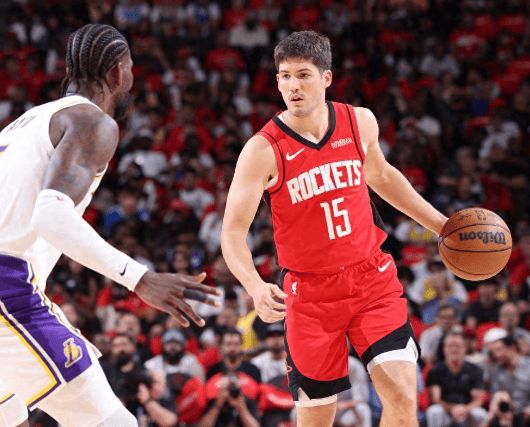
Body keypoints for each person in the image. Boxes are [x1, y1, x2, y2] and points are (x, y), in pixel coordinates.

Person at [221, 30, 448, 427]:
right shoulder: (262, 149)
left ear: (326, 77)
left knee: (402, 394)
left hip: (371, 280)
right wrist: (255, 286)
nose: (293, 86)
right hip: (310, 296)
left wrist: (442, 226)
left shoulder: (359, 121)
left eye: (303, 75)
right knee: (316, 420)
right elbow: (232, 233)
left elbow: (382, 176)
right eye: (285, 76)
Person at [0, 23, 219, 427]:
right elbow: (50, 214)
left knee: (10, 415)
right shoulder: (92, 122)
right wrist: (139, 278)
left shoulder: (26, 121)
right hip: (7, 288)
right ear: (118, 73)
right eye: (131, 68)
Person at [426, 331, 487, 427]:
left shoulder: (475, 370)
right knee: (434, 411)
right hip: (445, 412)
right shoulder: (435, 371)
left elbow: (478, 400)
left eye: (457, 346)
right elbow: (435, 399)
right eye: (450, 346)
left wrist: (465, 409)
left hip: (466, 411)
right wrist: (452, 409)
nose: (454, 350)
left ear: (464, 348)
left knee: (480, 414)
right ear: (444, 349)